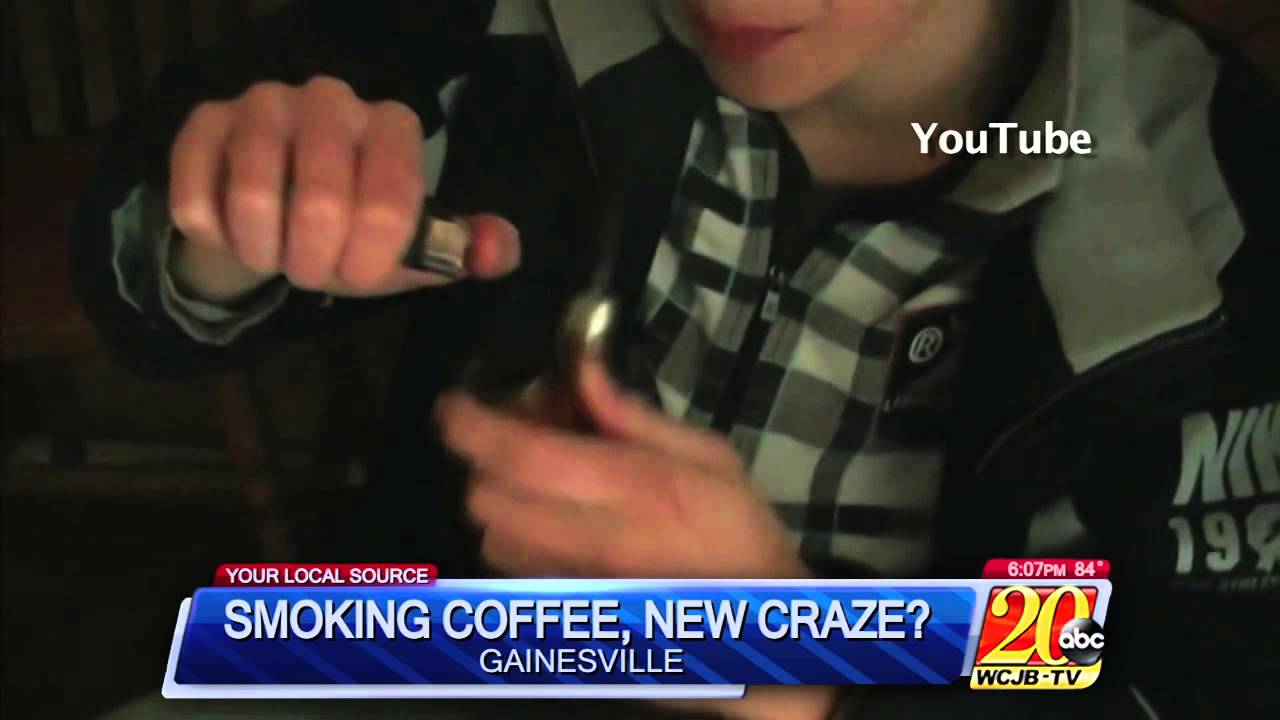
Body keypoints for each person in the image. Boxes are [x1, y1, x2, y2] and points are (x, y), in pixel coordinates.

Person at [72, 0, 1277, 717]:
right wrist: (224, 225)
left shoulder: (1211, 215)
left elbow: (1149, 668)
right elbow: (157, 257)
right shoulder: (515, 27)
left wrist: (786, 655)